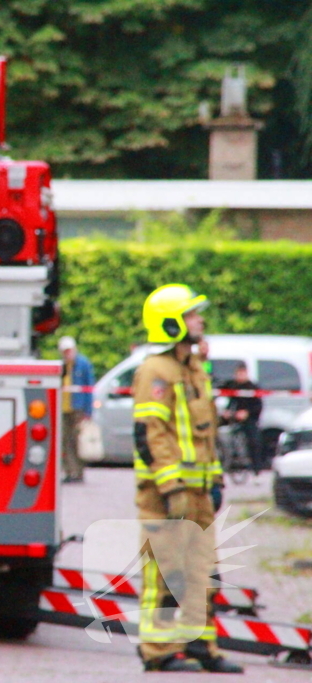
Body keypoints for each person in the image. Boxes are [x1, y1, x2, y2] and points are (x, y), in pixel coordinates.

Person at [131, 284, 243, 673]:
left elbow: (204, 433)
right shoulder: (154, 371)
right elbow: (152, 433)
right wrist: (172, 486)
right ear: (172, 323)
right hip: (166, 494)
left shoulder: (193, 368)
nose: (200, 320)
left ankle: (200, 646)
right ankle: (159, 651)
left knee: (204, 570)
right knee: (165, 572)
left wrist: (214, 480)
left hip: (199, 493)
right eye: (192, 314)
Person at [59, 335, 94, 483]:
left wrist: (88, 411)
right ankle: (68, 471)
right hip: (64, 408)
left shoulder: (83, 364)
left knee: (76, 441)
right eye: (65, 351)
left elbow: (89, 388)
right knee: (65, 441)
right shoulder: (61, 366)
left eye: (69, 350)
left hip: (77, 408)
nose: (67, 354)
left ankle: (78, 472)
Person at [220, 362, 263, 473]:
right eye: (238, 373)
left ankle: (256, 469)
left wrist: (247, 413)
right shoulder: (233, 386)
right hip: (234, 416)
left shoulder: (252, 387)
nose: (240, 376)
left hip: (249, 419)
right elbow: (229, 400)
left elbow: (258, 406)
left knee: (254, 441)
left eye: (242, 373)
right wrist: (227, 412)